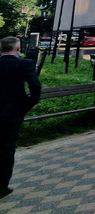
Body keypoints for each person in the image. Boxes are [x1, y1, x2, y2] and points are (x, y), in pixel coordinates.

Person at [0, 36, 41, 200]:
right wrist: (29, 104)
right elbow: (35, 86)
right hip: (13, 113)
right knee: (7, 148)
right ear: (17, 49)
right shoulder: (25, 64)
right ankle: (2, 186)